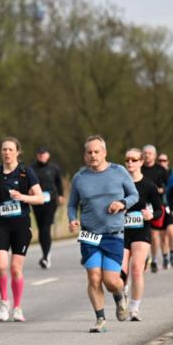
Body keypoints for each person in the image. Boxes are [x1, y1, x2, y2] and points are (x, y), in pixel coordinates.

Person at [67, 135, 138, 333]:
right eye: (89, 152)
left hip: (113, 234)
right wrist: (72, 219)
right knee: (94, 276)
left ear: (104, 153)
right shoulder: (79, 178)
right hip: (89, 234)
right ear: (85, 155)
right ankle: (100, 319)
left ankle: (119, 295)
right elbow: (72, 204)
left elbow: (134, 195)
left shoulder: (119, 172)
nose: (93, 155)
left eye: (97, 151)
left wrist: (122, 203)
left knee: (110, 280)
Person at [0, 137, 44, 322]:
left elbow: (41, 198)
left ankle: (17, 307)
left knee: (16, 269)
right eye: (4, 149)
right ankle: (4, 302)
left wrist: (23, 197)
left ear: (18, 152)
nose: (7, 152)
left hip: (21, 225)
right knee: (1, 266)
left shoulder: (26, 173)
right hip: (1, 225)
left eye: (11, 149)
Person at [120, 148, 163, 321]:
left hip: (141, 231)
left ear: (141, 162)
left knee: (137, 270)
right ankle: (123, 291)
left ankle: (135, 308)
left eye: (134, 159)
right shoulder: (119, 184)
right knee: (120, 272)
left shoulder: (149, 185)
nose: (130, 162)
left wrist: (151, 215)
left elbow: (160, 210)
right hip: (121, 232)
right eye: (127, 159)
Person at [29, 146, 64, 269]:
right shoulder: (31, 168)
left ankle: (45, 257)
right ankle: (46, 254)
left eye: (44, 154)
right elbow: (27, 183)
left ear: (48, 155)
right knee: (41, 228)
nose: (41, 156)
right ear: (37, 155)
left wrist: (60, 195)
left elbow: (59, 182)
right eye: (39, 154)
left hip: (50, 201)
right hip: (37, 201)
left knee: (46, 227)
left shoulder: (54, 168)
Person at [140, 145, 170, 273]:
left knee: (155, 233)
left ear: (155, 156)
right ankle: (145, 258)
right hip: (141, 206)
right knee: (143, 233)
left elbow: (169, 186)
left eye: (149, 153)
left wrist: (161, 190)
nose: (147, 155)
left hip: (157, 205)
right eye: (145, 153)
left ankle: (154, 259)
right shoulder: (139, 168)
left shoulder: (160, 170)